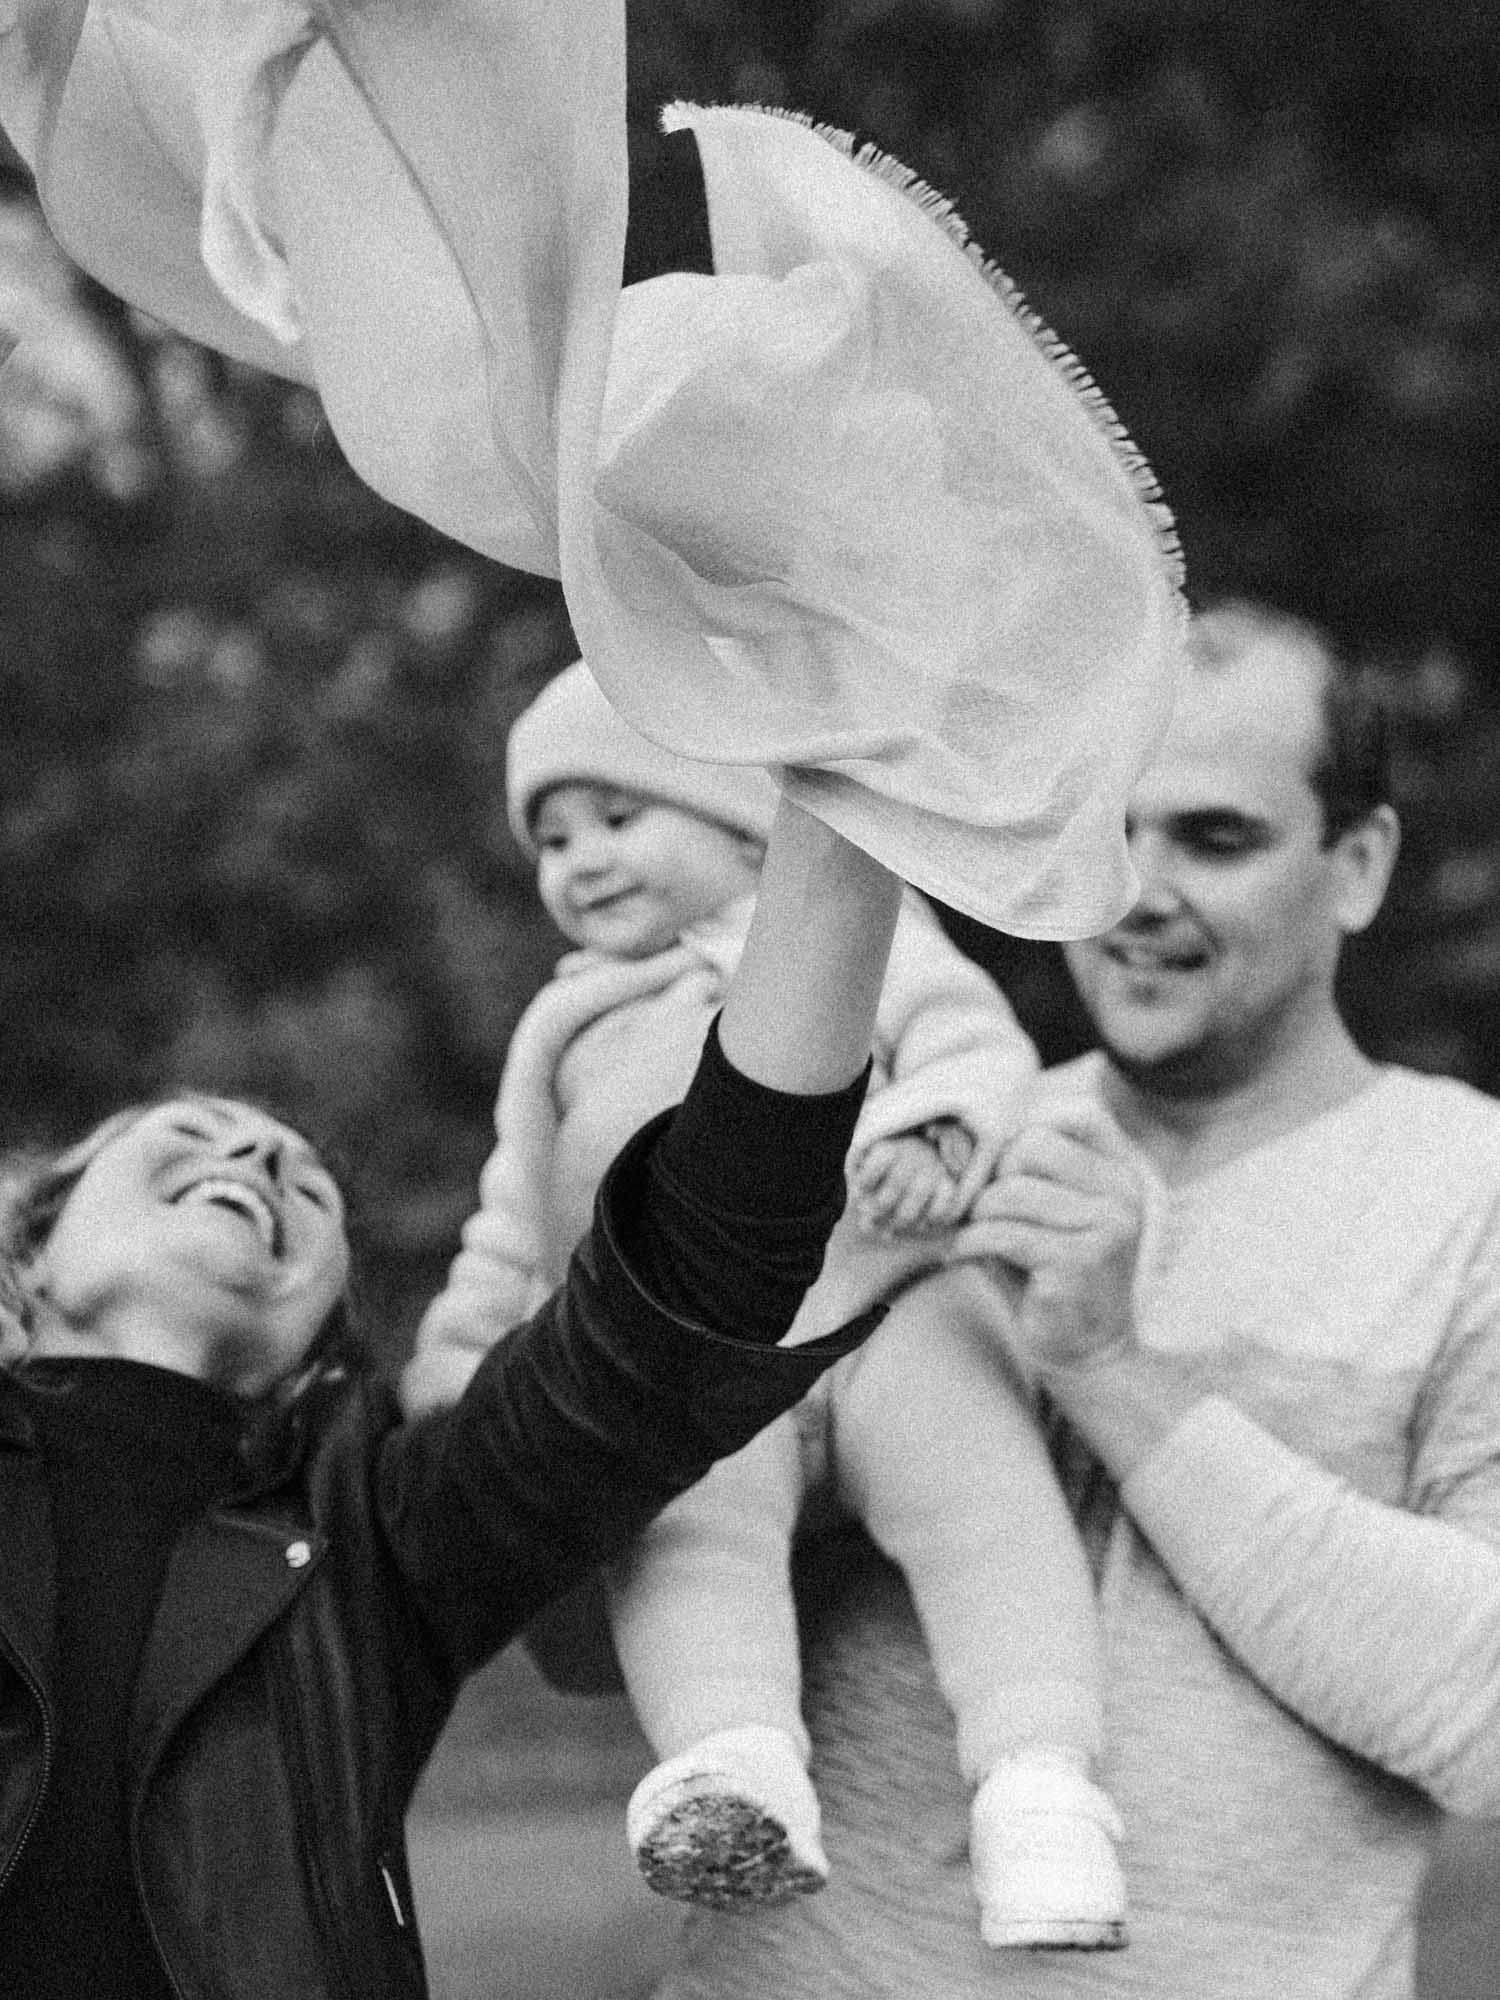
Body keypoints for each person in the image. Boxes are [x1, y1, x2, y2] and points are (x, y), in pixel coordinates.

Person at [544, 599, 1500, 2000]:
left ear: (1356, 866)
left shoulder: (1469, 1188)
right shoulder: (895, 1151)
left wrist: (1108, 1366)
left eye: (1215, 838)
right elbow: (579, 1649)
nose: (1137, 890)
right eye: (1102, 826)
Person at [0, 796, 918, 2000]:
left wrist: (853, 813)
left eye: (308, 1186)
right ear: (35, 1241)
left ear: (318, 1349)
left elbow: (681, 1300)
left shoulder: (377, 1531)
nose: (263, 1158)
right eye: (193, 1133)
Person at [403, 658, 1128, 1949]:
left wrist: (938, 1129)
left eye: (618, 819)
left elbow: (973, 1041)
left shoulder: (853, 937)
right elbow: (511, 1215)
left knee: (989, 1513)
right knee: (682, 1535)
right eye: (553, 840)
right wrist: (465, 1350)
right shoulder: (563, 1024)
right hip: (701, 1355)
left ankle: (1041, 1785)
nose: (580, 862)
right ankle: (734, 1770)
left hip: (899, 1302)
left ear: (741, 817)